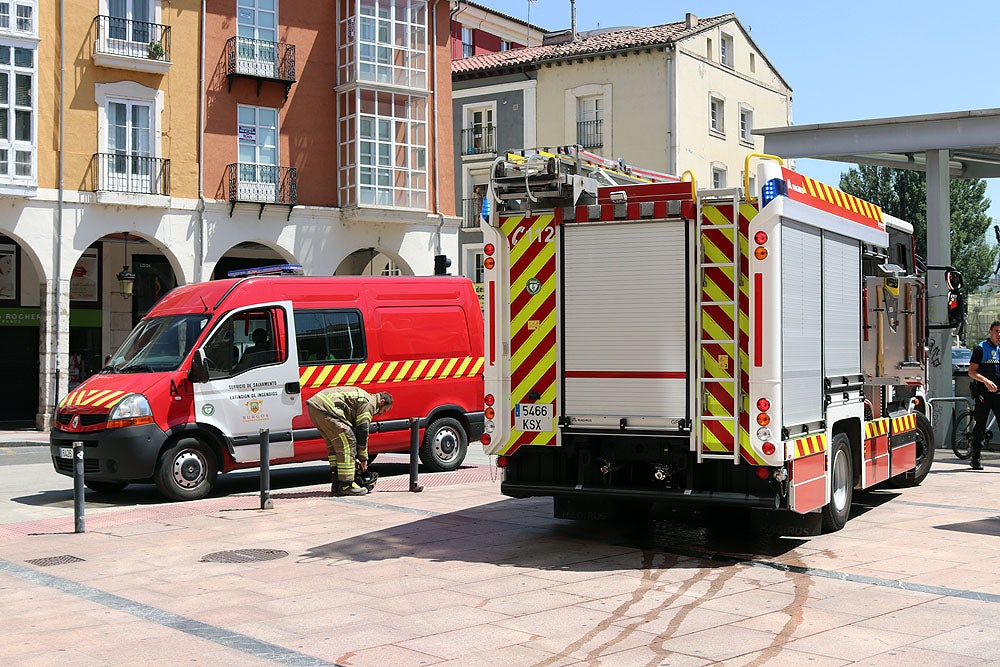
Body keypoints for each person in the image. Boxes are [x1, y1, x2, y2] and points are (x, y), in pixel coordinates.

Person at [305, 386, 392, 496]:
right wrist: (363, 458)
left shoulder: (363, 398)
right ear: (382, 401)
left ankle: (337, 483)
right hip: (326, 409)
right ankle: (347, 485)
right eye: (383, 410)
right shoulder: (369, 403)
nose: (379, 414)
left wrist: (354, 459)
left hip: (315, 408)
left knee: (335, 447)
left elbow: (356, 427)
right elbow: (362, 430)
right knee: (348, 443)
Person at [967, 320, 1000, 470]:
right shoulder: (981, 348)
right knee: (980, 425)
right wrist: (986, 381)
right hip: (983, 394)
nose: (999, 334)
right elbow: (971, 372)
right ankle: (976, 458)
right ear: (990, 332)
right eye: (997, 331)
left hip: (998, 394)